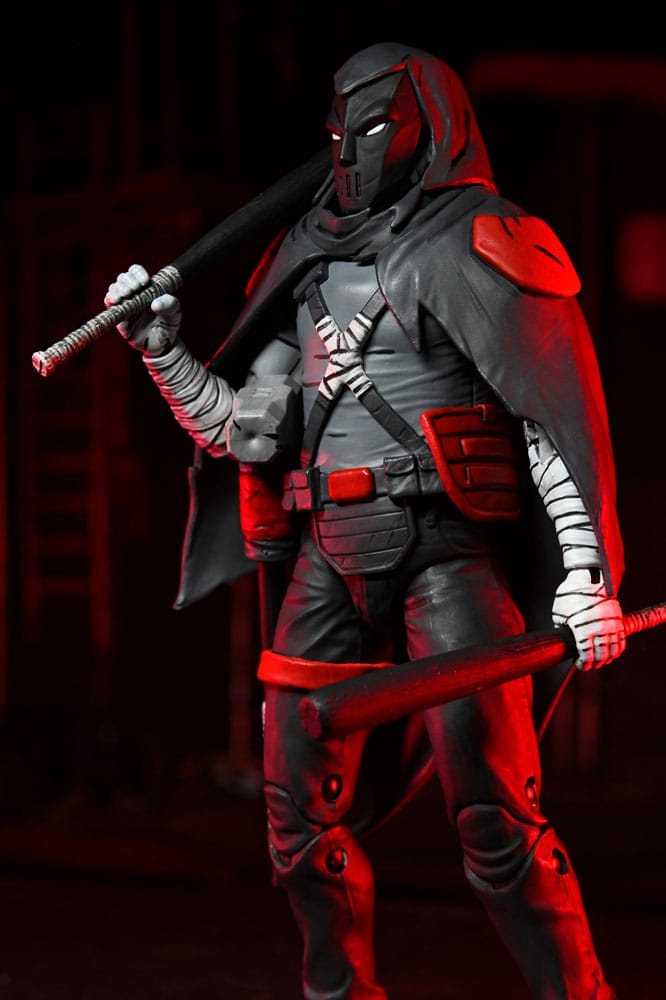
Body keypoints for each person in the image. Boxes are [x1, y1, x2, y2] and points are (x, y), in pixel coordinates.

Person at [105, 42, 626, 1000]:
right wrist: (164, 352)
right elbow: (244, 430)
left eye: (376, 126)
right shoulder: (305, 257)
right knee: (296, 819)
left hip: (448, 555)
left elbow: (544, 416)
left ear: (432, 124)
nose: (349, 150)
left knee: (498, 823)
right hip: (328, 557)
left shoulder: (483, 239)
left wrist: (585, 574)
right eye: (338, 130)